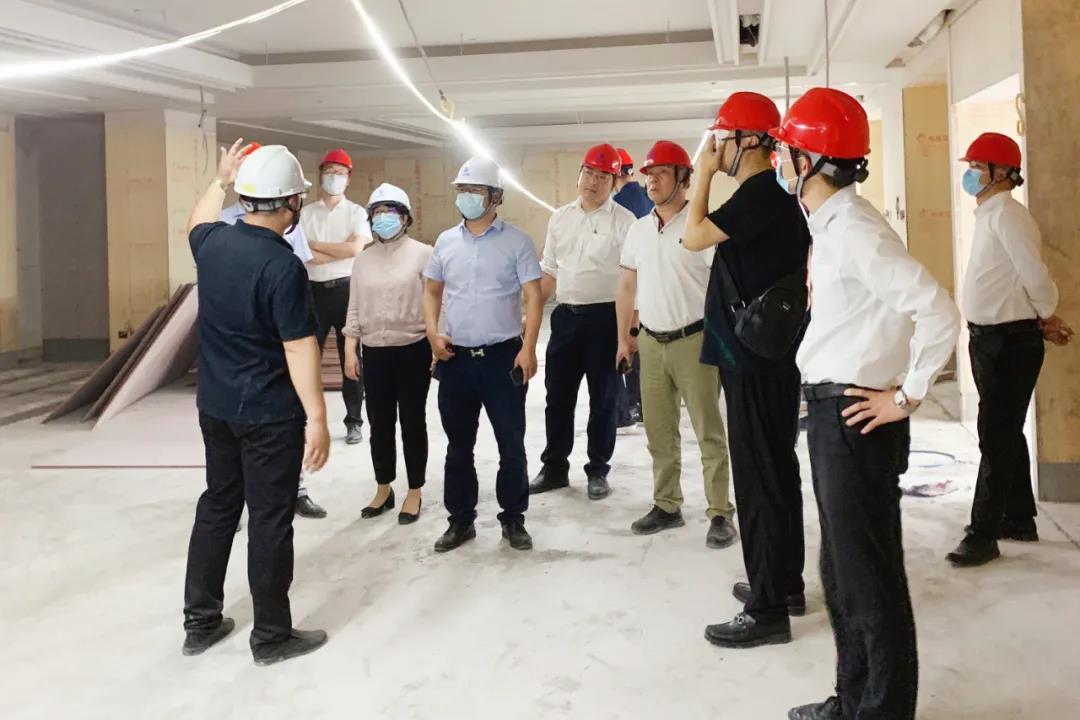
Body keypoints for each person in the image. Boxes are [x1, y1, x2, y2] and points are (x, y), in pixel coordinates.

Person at [773, 88, 960, 720]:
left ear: (808, 162)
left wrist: (906, 397)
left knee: (869, 577)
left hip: (855, 417)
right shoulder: (831, 225)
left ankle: (880, 711)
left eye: (786, 151)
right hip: (835, 415)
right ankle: (853, 700)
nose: (780, 160)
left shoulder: (853, 228)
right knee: (842, 571)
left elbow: (937, 310)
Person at [182, 141, 330, 666]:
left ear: (245, 198)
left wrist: (219, 179)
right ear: (291, 203)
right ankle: (270, 636)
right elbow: (298, 347)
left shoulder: (213, 245)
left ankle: (200, 623)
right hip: (268, 414)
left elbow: (196, 223)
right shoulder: (282, 266)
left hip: (216, 406)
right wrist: (317, 417)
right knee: (269, 520)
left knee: (218, 507)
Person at [681, 92, 811, 649]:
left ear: (749, 141)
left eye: (723, 139)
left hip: (754, 363)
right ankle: (783, 584)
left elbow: (691, 237)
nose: (716, 148)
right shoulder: (774, 197)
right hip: (767, 358)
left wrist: (703, 175)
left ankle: (766, 611)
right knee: (776, 470)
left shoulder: (759, 196)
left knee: (758, 481)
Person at [946, 132, 1074, 567]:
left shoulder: (1008, 217)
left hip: (1010, 341)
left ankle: (982, 534)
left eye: (976, 167)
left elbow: (1033, 275)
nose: (970, 174)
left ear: (1001, 173)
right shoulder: (990, 215)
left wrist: (1046, 313)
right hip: (990, 338)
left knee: (995, 434)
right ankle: (1018, 518)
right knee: (1004, 430)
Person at [614, 140, 737, 549]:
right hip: (650, 342)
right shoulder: (638, 229)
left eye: (661, 173)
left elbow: (722, 289)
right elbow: (627, 285)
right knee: (659, 431)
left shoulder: (700, 227)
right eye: (649, 174)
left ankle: (720, 512)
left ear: (684, 179)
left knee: (708, 431)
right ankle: (667, 504)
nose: (651, 180)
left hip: (694, 341)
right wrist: (624, 340)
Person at [423, 157, 544, 553]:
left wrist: (528, 348)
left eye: (475, 190)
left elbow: (533, 297)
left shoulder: (518, 242)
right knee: (458, 447)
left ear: (495, 197)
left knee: (511, 444)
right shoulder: (445, 242)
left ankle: (513, 518)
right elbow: (431, 291)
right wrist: (432, 333)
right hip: (456, 359)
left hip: (502, 359)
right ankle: (460, 521)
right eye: (463, 190)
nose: (467, 197)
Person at [219, 142, 329, 520]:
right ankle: (242, 503)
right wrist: (318, 417)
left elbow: (299, 266)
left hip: (264, 345)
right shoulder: (226, 227)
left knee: (283, 421)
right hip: (250, 357)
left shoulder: (282, 223)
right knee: (237, 434)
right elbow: (298, 346)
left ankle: (294, 490)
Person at [529, 144, 636, 502]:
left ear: (614, 181)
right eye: (589, 173)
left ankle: (598, 470)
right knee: (557, 397)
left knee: (603, 399)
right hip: (565, 318)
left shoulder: (624, 222)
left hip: (605, 320)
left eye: (603, 176)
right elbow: (549, 271)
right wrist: (530, 316)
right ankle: (555, 468)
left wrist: (627, 336)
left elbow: (632, 281)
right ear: (579, 174)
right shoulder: (560, 218)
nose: (593, 181)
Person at [342, 183, 433, 524]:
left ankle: (415, 490)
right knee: (379, 423)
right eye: (377, 213)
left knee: (412, 422)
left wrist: (438, 344)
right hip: (375, 352)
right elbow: (354, 308)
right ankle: (384, 487)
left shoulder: (424, 254)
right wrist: (350, 349)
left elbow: (436, 303)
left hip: (413, 349)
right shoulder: (363, 260)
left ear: (405, 218)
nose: (383, 219)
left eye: (390, 212)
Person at [300, 148, 371, 445]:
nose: (334, 178)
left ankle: (354, 421)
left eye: (340, 173)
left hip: (347, 291)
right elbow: (304, 255)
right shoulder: (306, 213)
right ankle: (305, 420)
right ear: (320, 176)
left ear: (348, 178)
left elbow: (354, 250)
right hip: (313, 292)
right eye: (329, 172)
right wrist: (337, 249)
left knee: (351, 359)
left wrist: (316, 245)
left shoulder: (357, 213)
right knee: (307, 360)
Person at [612, 147, 650, 429]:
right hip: (648, 283)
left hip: (629, 282)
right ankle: (641, 404)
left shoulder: (619, 206)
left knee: (627, 344)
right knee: (640, 345)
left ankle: (629, 408)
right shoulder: (646, 196)